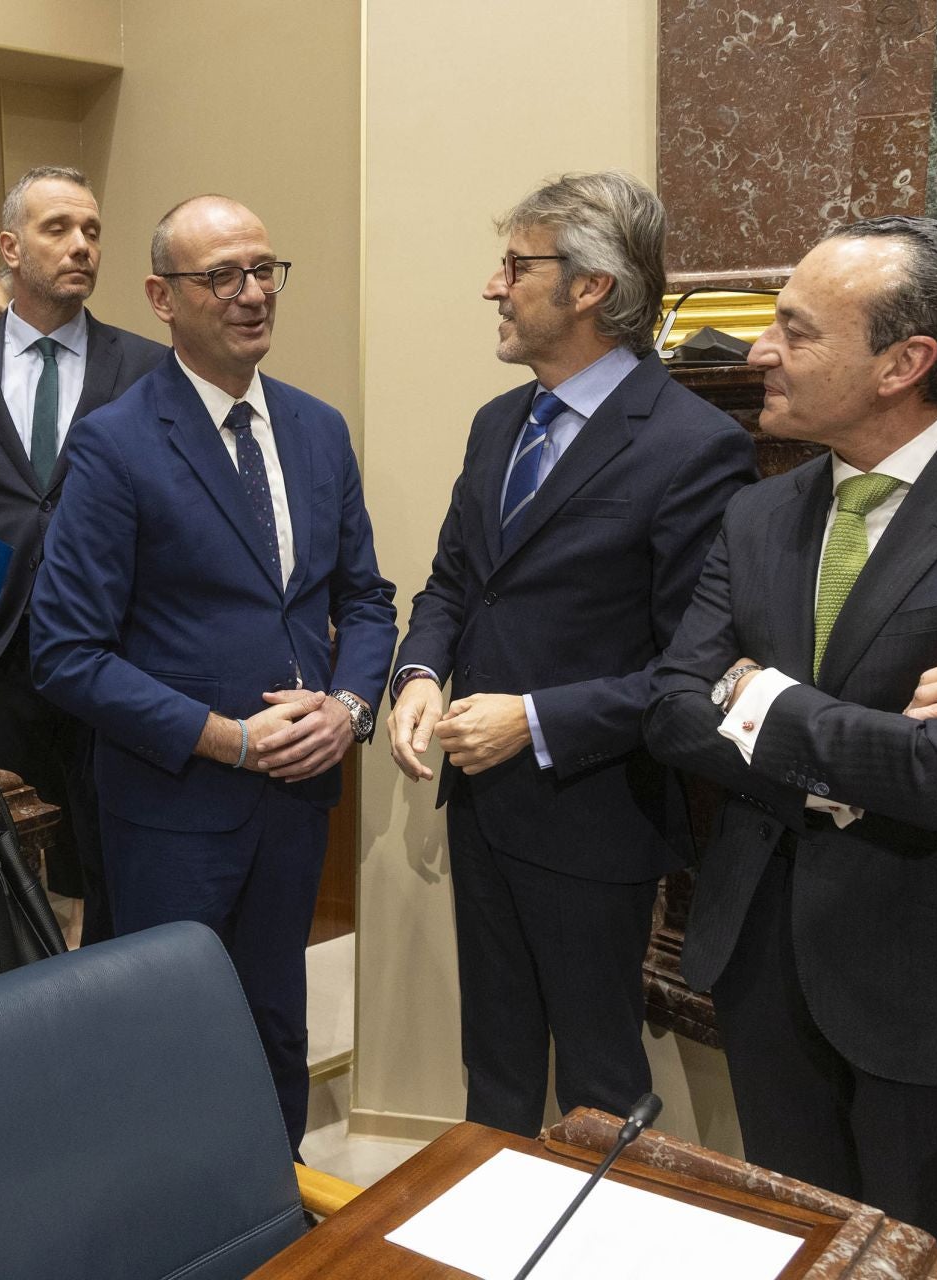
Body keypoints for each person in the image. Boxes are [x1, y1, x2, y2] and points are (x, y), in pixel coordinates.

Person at [643, 215, 937, 1279]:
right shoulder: (757, 515)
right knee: (797, 1245)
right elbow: (672, 707)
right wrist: (871, 740)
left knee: (920, 1257)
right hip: (764, 959)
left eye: (795, 331)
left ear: (903, 363)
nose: (757, 348)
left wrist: (756, 694)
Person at [385, 172, 757, 1138]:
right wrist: (421, 673)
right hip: (481, 803)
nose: (492, 286)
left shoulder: (694, 445)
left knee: (599, 1080)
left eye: (516, 265)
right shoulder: (498, 422)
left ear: (592, 287)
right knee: (494, 1064)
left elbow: (696, 669)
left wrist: (534, 719)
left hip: (596, 815)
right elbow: (454, 583)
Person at [29, 195, 396, 1153]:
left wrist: (351, 708)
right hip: (173, 806)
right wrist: (223, 737)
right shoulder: (116, 444)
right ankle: (176, 1226)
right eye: (221, 277)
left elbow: (365, 598)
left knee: (278, 1022)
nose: (251, 294)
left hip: (298, 800)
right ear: (162, 297)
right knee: (170, 1036)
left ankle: (276, 1211)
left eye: (264, 270)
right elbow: (66, 652)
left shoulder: (318, 430)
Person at [0, 165, 166, 947]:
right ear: (11, 247)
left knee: (110, 853)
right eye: (59, 229)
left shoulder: (147, 368)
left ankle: (113, 1005)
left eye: (91, 231)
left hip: (112, 650)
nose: (81, 245)